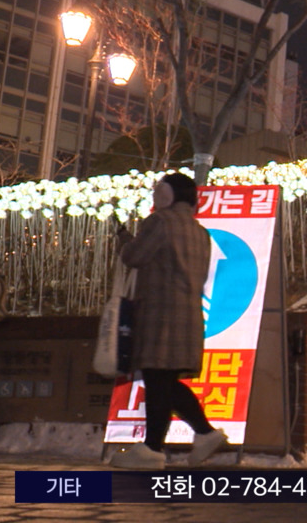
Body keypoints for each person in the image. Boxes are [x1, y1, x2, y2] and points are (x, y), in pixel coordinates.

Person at [111, 173, 226, 470]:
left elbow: (134, 256)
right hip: (187, 315)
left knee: (158, 379)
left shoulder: (160, 222)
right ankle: (181, 439)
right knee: (163, 381)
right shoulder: (200, 231)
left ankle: (166, 444)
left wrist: (124, 239)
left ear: (166, 195)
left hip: (159, 313)